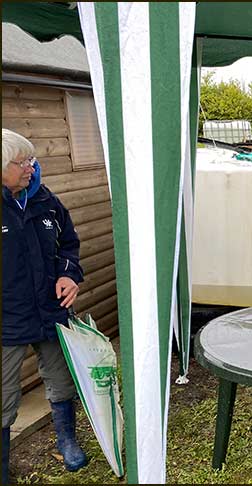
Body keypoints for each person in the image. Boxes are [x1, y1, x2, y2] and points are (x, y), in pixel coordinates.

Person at [2, 129, 88, 482]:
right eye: (22, 162)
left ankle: (67, 439)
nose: (30, 167)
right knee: (3, 393)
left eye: (31, 159)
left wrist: (69, 275)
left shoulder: (46, 200)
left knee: (59, 377)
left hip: (51, 311)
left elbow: (69, 243)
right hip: (7, 319)